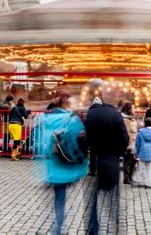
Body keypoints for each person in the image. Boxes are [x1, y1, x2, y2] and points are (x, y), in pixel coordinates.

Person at [36, 93, 88, 235]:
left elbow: (41, 142)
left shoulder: (45, 118)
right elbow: (79, 142)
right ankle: (58, 228)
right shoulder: (72, 119)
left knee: (57, 197)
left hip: (52, 164)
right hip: (67, 165)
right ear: (66, 105)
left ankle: (56, 226)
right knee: (61, 198)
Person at [84, 80, 129, 234]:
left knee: (94, 198)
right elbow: (124, 138)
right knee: (113, 198)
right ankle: (115, 226)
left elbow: (87, 135)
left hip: (98, 158)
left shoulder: (91, 113)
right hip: (112, 159)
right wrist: (119, 153)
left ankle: (93, 228)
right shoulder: (116, 115)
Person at [134, 117, 151, 188]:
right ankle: (149, 183)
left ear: (144, 124)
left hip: (142, 153)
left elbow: (137, 144)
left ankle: (142, 182)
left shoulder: (140, 132)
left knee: (142, 168)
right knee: (150, 169)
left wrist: (136, 153)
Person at [121, 102, 138, 184]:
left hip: (134, 143)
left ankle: (130, 177)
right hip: (129, 144)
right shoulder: (125, 120)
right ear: (129, 109)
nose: (135, 109)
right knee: (127, 161)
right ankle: (126, 178)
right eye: (133, 108)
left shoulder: (132, 118)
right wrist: (128, 145)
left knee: (133, 161)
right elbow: (126, 134)